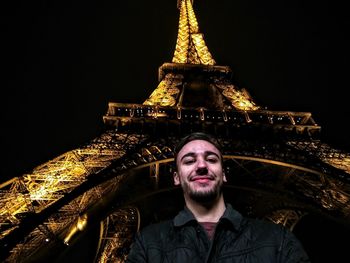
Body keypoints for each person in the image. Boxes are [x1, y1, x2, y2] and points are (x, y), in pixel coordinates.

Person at [126, 132, 310, 262]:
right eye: (189, 161)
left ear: (223, 174)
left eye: (212, 159)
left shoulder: (278, 239)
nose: (201, 165)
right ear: (176, 177)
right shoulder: (148, 243)